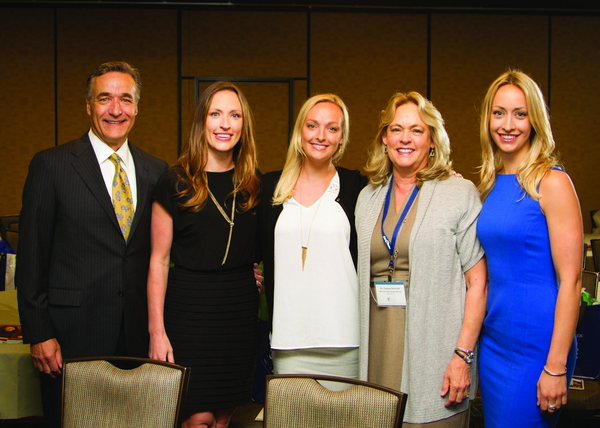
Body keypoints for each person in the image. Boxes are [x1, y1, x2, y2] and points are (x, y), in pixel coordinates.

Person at [16, 61, 169, 428]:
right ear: (88, 105)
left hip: (137, 337)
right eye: (105, 99)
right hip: (71, 338)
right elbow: (31, 259)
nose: (116, 109)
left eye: (125, 100)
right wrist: (39, 334)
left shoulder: (157, 171)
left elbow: (163, 255)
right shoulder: (51, 166)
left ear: (136, 107)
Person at [356, 91, 487, 426]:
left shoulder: (458, 193)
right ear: (384, 138)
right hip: (377, 350)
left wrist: (462, 356)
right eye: (396, 129)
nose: (405, 138)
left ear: (432, 140)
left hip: (437, 355)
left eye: (416, 130)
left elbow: (478, 283)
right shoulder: (368, 197)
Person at [147, 81, 261, 428]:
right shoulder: (175, 182)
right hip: (189, 312)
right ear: (202, 121)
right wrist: (156, 332)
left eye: (234, 115)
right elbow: (158, 261)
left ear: (244, 125)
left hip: (238, 313)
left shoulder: (253, 183)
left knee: (228, 415)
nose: (225, 124)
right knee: (197, 417)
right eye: (216, 114)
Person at [476, 70, 582, 428]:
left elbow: (572, 281)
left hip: (539, 345)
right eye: (499, 112)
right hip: (494, 343)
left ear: (535, 120)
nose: (508, 124)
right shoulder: (489, 185)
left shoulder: (552, 182)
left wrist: (556, 364)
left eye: (520, 114)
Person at [261, 94, 368, 386]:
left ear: (341, 139)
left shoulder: (359, 187)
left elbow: (402, 195)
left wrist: (440, 178)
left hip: (344, 339)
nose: (321, 135)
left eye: (332, 128)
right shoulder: (269, 186)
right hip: (287, 340)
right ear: (300, 131)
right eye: (312, 125)